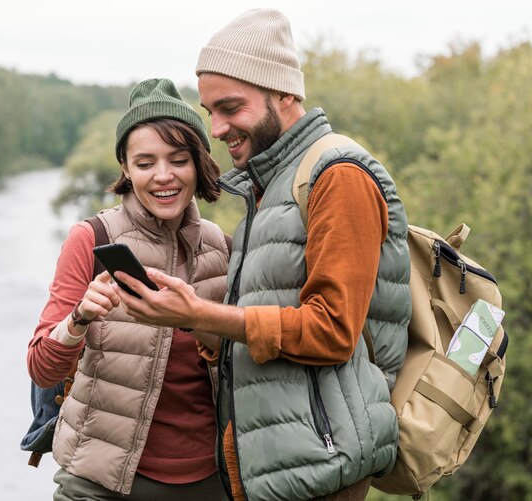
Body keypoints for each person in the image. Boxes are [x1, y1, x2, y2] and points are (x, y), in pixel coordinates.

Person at [112, 9, 412, 501]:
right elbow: (257, 327)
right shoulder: (268, 185)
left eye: (230, 107)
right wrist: (184, 315)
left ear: (285, 93)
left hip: (323, 468)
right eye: (210, 111)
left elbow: (333, 331)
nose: (218, 127)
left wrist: (203, 312)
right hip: (277, 468)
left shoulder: (338, 176)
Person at [26, 78, 230, 500]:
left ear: (198, 163)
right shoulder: (92, 239)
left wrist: (196, 320)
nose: (163, 176)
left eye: (178, 160)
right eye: (145, 162)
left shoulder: (223, 249)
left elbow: (244, 367)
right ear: (125, 168)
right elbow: (42, 368)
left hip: (207, 482)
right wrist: (79, 319)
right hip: (98, 484)